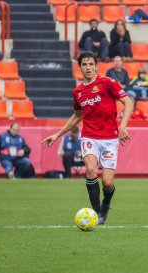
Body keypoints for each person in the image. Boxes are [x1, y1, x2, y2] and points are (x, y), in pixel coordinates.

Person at [41, 52, 133, 225]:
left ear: (96, 66)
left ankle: (105, 204)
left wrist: (123, 126)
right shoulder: (78, 92)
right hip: (89, 136)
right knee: (90, 170)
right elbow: (77, 117)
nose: (88, 67)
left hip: (110, 139)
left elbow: (128, 102)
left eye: (91, 64)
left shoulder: (107, 82)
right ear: (80, 67)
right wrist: (57, 134)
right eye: (85, 64)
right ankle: (96, 215)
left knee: (107, 182)